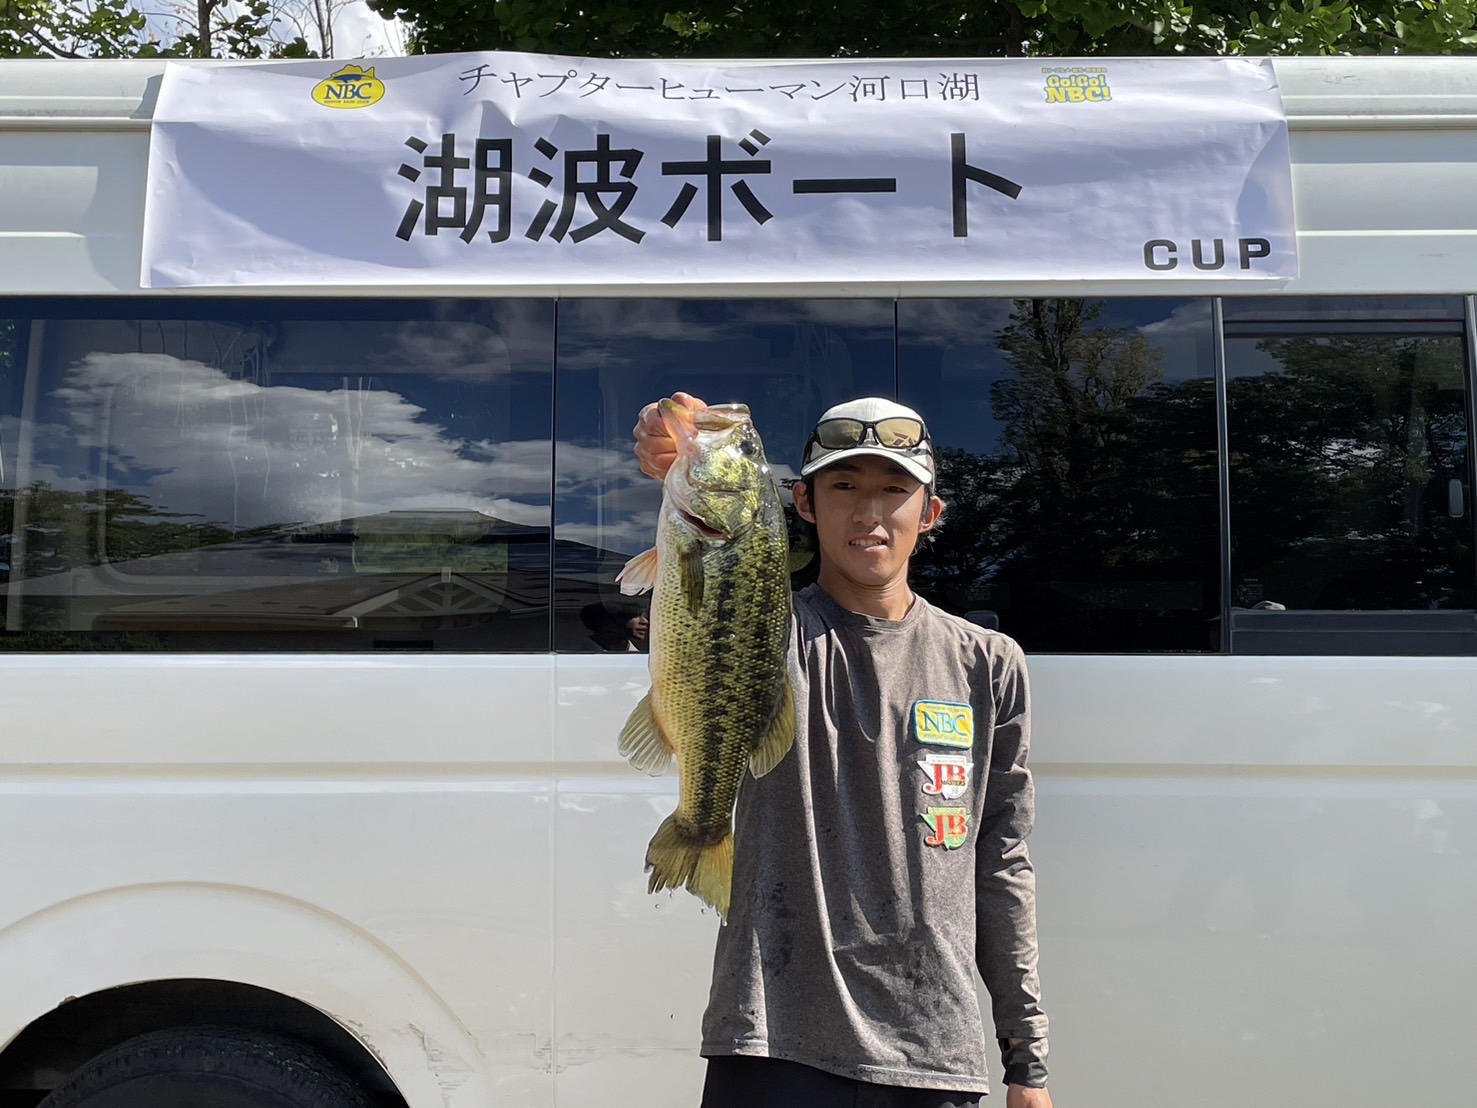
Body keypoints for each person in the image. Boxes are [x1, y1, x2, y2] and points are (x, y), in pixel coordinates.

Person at [633, 394, 1053, 1108]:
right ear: (801, 502)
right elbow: (702, 598)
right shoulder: (769, 633)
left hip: (933, 1048)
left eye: (894, 491)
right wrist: (670, 451)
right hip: (770, 1036)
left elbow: (1002, 861)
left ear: (931, 514)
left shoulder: (988, 663)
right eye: (843, 488)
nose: (868, 514)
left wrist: (1027, 1060)